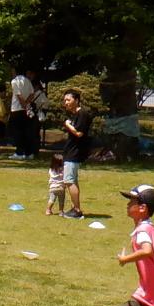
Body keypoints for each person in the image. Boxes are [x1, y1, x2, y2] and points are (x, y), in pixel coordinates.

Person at [58, 87, 94, 217]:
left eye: (68, 99)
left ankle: (77, 210)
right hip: (70, 151)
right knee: (72, 180)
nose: (66, 102)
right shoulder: (76, 115)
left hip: (74, 152)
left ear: (77, 100)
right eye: (64, 100)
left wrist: (67, 125)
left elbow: (79, 133)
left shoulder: (82, 114)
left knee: (69, 181)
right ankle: (74, 208)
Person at [8, 69, 36, 158]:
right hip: (25, 110)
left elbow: (18, 95)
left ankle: (19, 153)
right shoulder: (27, 81)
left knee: (17, 132)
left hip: (17, 109)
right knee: (26, 131)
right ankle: (28, 153)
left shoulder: (15, 81)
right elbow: (32, 94)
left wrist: (23, 104)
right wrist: (27, 103)